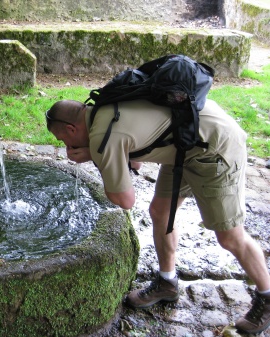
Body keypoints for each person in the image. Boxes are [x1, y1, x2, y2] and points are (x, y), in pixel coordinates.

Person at [45, 98, 270, 334]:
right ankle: (167, 282)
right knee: (160, 211)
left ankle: (266, 296)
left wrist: (96, 154)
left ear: (72, 129)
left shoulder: (103, 134)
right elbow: (137, 162)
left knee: (230, 237)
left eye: (63, 140)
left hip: (215, 147)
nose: (66, 146)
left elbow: (125, 200)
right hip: (187, 140)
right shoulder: (104, 106)